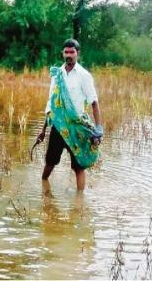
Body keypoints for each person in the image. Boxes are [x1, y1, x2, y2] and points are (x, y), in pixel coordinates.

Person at [37, 39, 103, 191]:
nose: (69, 55)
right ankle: (44, 192)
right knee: (50, 163)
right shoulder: (57, 75)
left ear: (77, 53)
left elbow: (94, 103)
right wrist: (43, 129)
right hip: (59, 127)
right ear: (62, 53)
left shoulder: (84, 76)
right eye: (66, 52)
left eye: (72, 52)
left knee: (79, 167)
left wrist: (98, 128)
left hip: (76, 128)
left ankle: (79, 203)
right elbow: (52, 103)